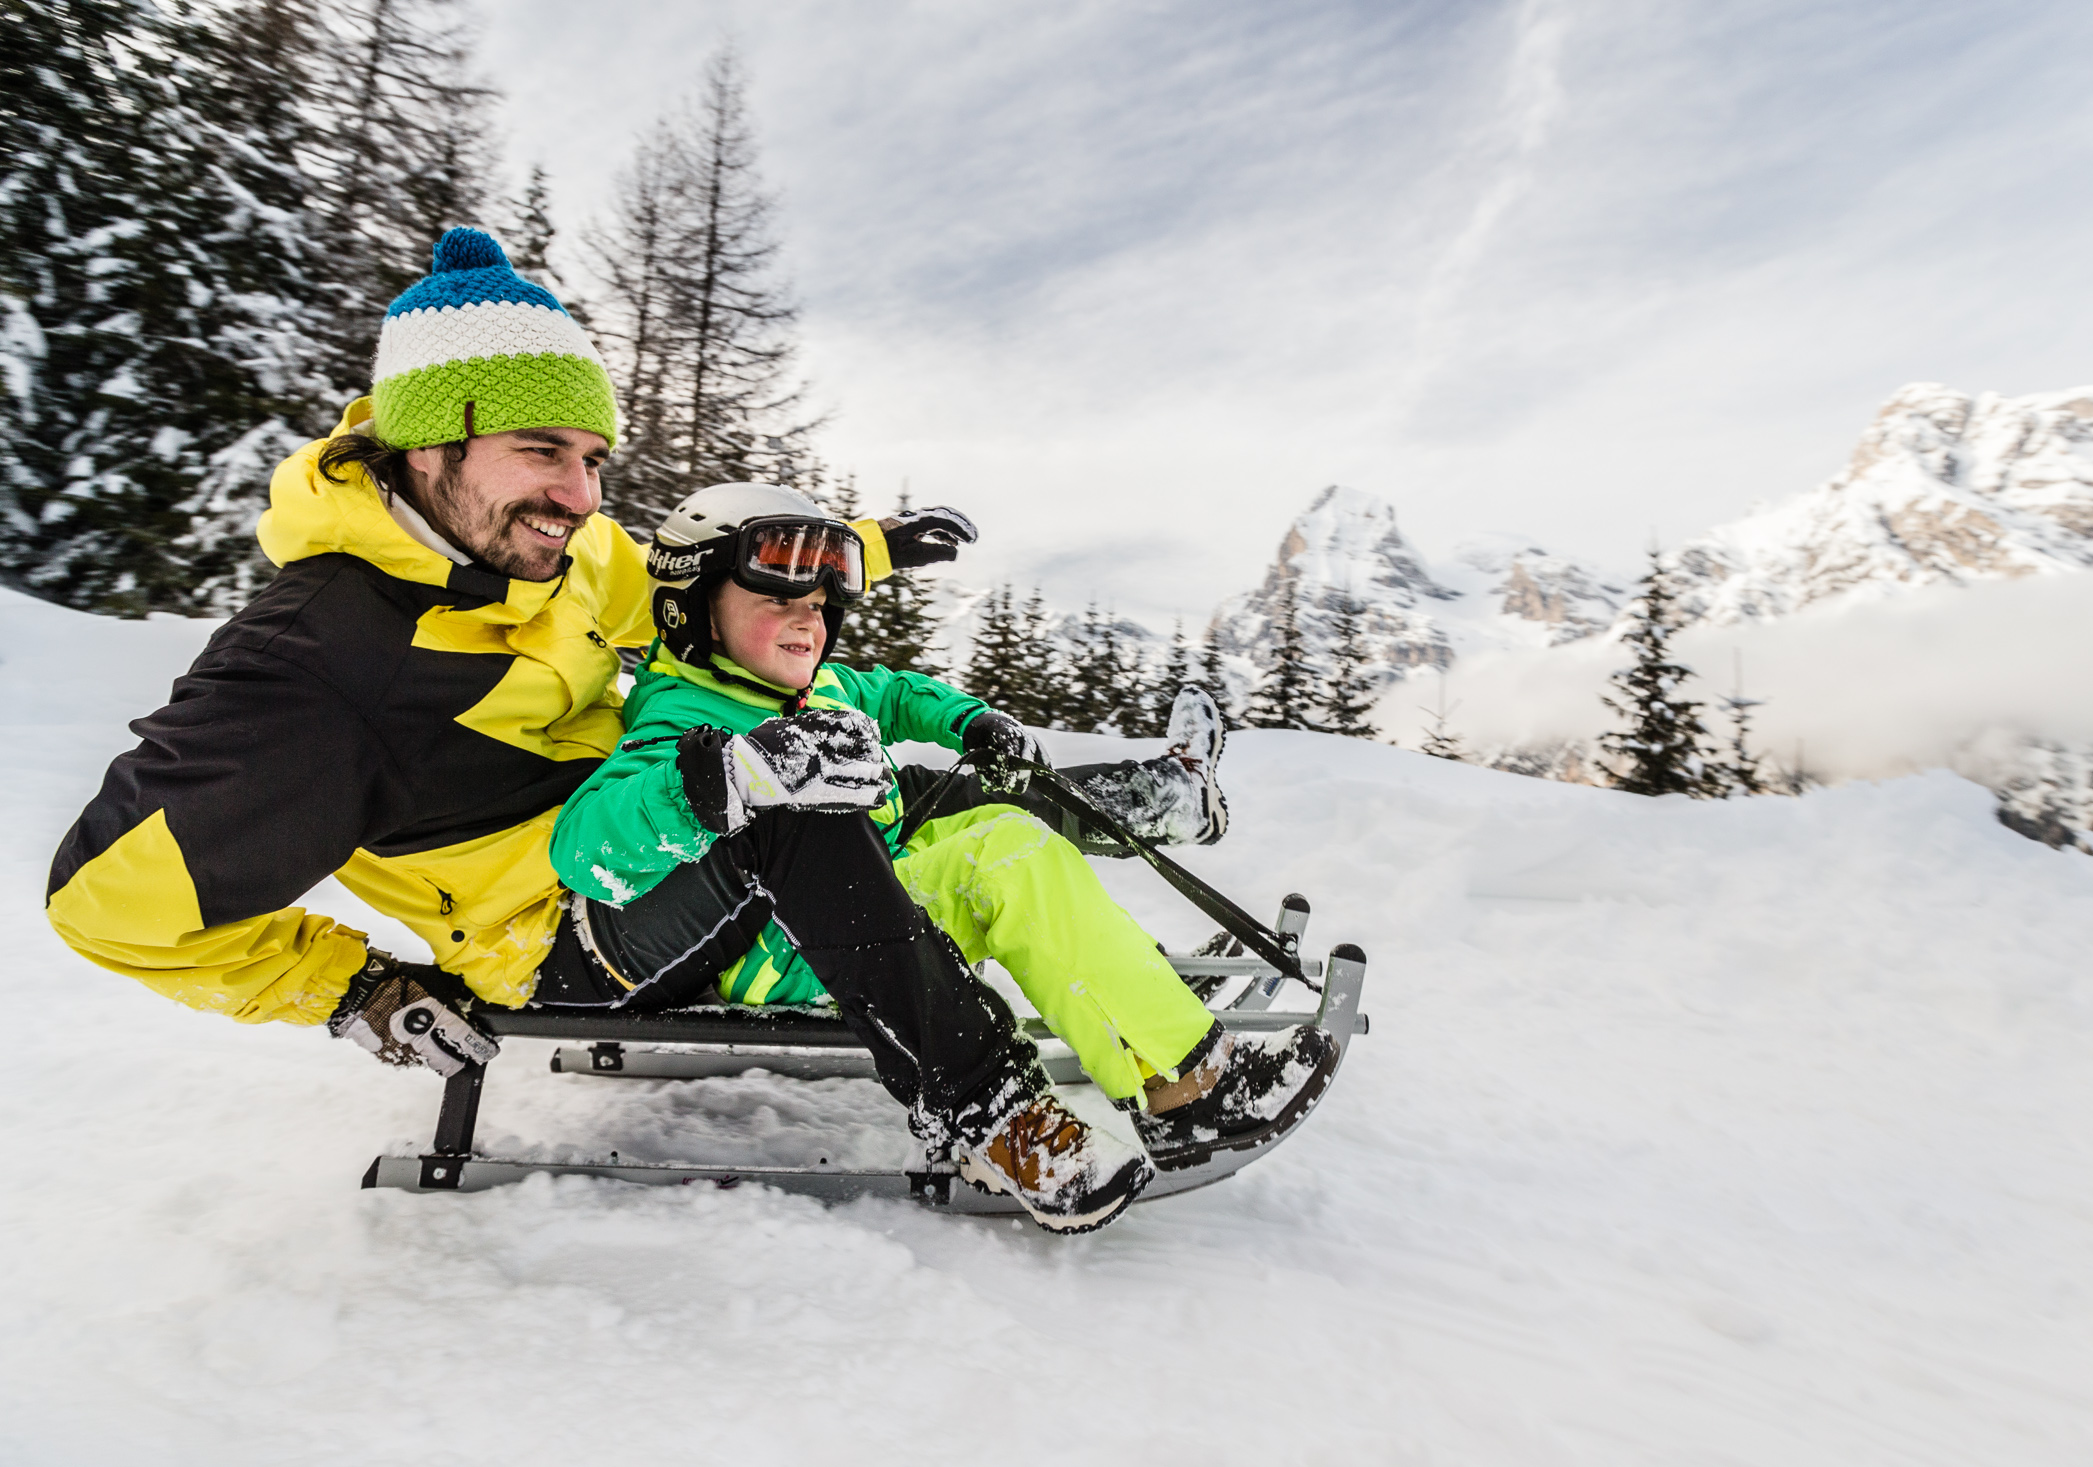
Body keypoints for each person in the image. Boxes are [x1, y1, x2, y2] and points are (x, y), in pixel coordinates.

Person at [38, 227, 1282, 1233]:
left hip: (669, 851)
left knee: (925, 797)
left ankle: (1151, 1023)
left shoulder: (549, 550)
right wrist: (352, 985)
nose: (580, 497)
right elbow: (105, 902)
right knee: (789, 796)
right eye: (542, 452)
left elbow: (712, 588)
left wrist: (871, 552)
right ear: (429, 440)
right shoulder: (317, 667)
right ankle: (985, 1105)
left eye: (591, 457)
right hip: (566, 933)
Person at [544, 481, 1339, 1171]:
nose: (807, 622)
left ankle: (1136, 997)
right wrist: (713, 782)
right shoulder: (681, 715)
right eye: (778, 601)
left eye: (820, 605)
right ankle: (1186, 1080)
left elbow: (886, 691)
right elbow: (586, 851)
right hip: (801, 948)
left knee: (1007, 824)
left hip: (872, 874)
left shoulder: (802, 679)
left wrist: (969, 720)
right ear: (691, 612)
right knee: (1008, 857)